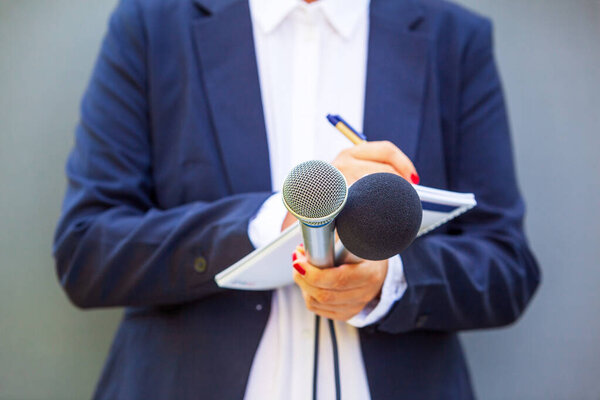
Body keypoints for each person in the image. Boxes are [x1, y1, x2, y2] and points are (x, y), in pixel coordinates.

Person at [53, 0, 540, 398]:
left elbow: (506, 265)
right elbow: (87, 251)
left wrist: (389, 280)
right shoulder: (151, 26)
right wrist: (286, 216)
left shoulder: (454, 39)